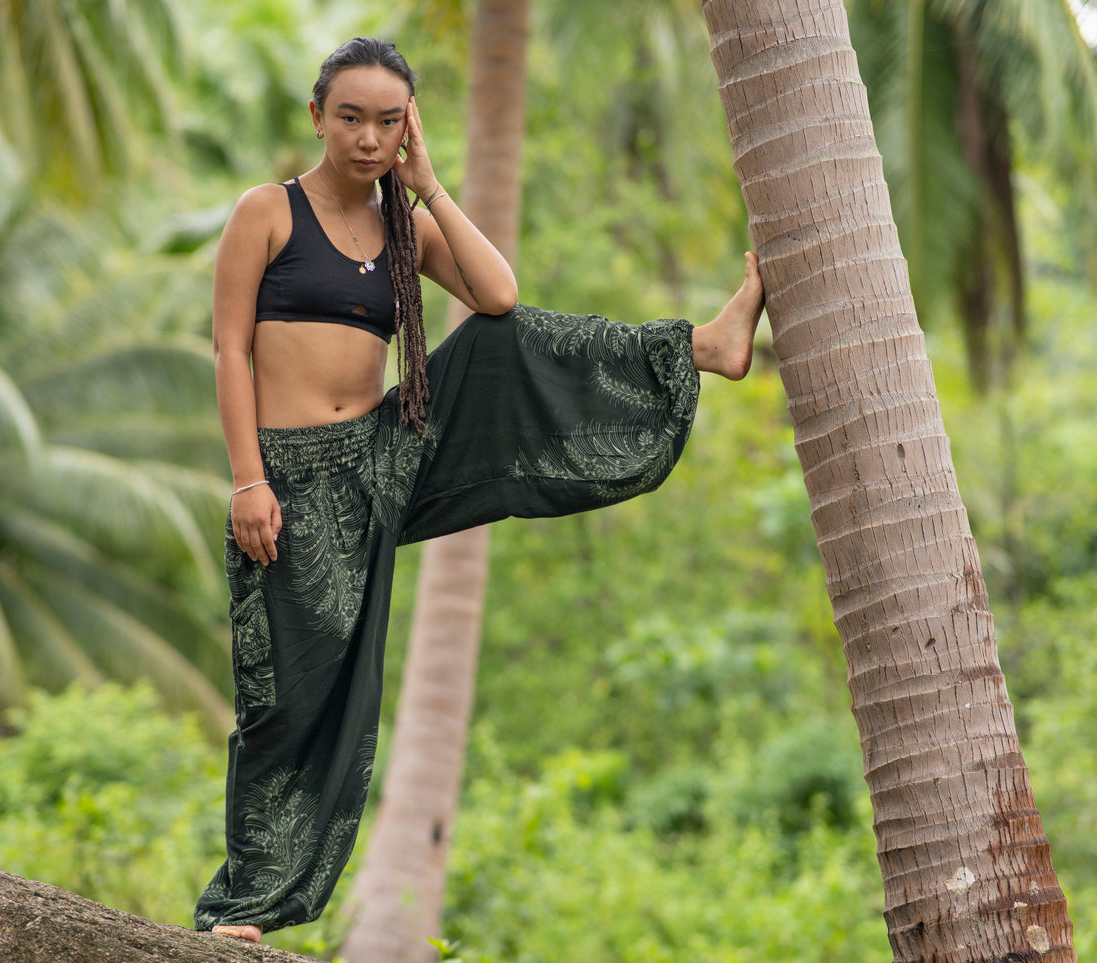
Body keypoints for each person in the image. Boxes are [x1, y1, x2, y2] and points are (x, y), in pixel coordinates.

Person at [196, 37, 765, 942]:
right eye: (351, 117)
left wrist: (428, 185)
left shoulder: (401, 223)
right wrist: (247, 481)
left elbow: (496, 296)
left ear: (407, 126)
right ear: (317, 117)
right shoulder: (267, 212)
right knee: (286, 697)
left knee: (503, 345)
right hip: (289, 479)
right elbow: (229, 350)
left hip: (383, 455)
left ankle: (700, 348)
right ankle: (250, 905)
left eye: (390, 121)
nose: (368, 138)